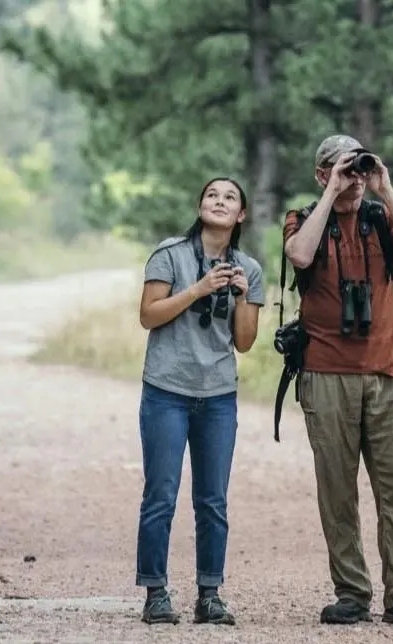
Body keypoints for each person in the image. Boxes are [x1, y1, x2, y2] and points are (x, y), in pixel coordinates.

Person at [281, 134, 393, 628]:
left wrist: (384, 188)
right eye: (338, 168)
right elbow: (300, 257)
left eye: (356, 167)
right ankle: (351, 592)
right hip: (326, 372)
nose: (351, 177)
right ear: (320, 173)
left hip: (388, 371)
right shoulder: (303, 217)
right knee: (337, 487)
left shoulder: (379, 217)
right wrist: (332, 195)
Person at [134, 176, 265, 626]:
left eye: (230, 197)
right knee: (161, 495)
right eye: (212, 195)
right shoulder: (169, 254)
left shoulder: (249, 267)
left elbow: (244, 343)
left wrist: (245, 296)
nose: (220, 201)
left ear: (241, 215)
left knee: (212, 500)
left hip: (217, 396)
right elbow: (148, 315)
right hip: (166, 390)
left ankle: (210, 594)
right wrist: (199, 288)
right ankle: (155, 593)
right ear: (200, 205)